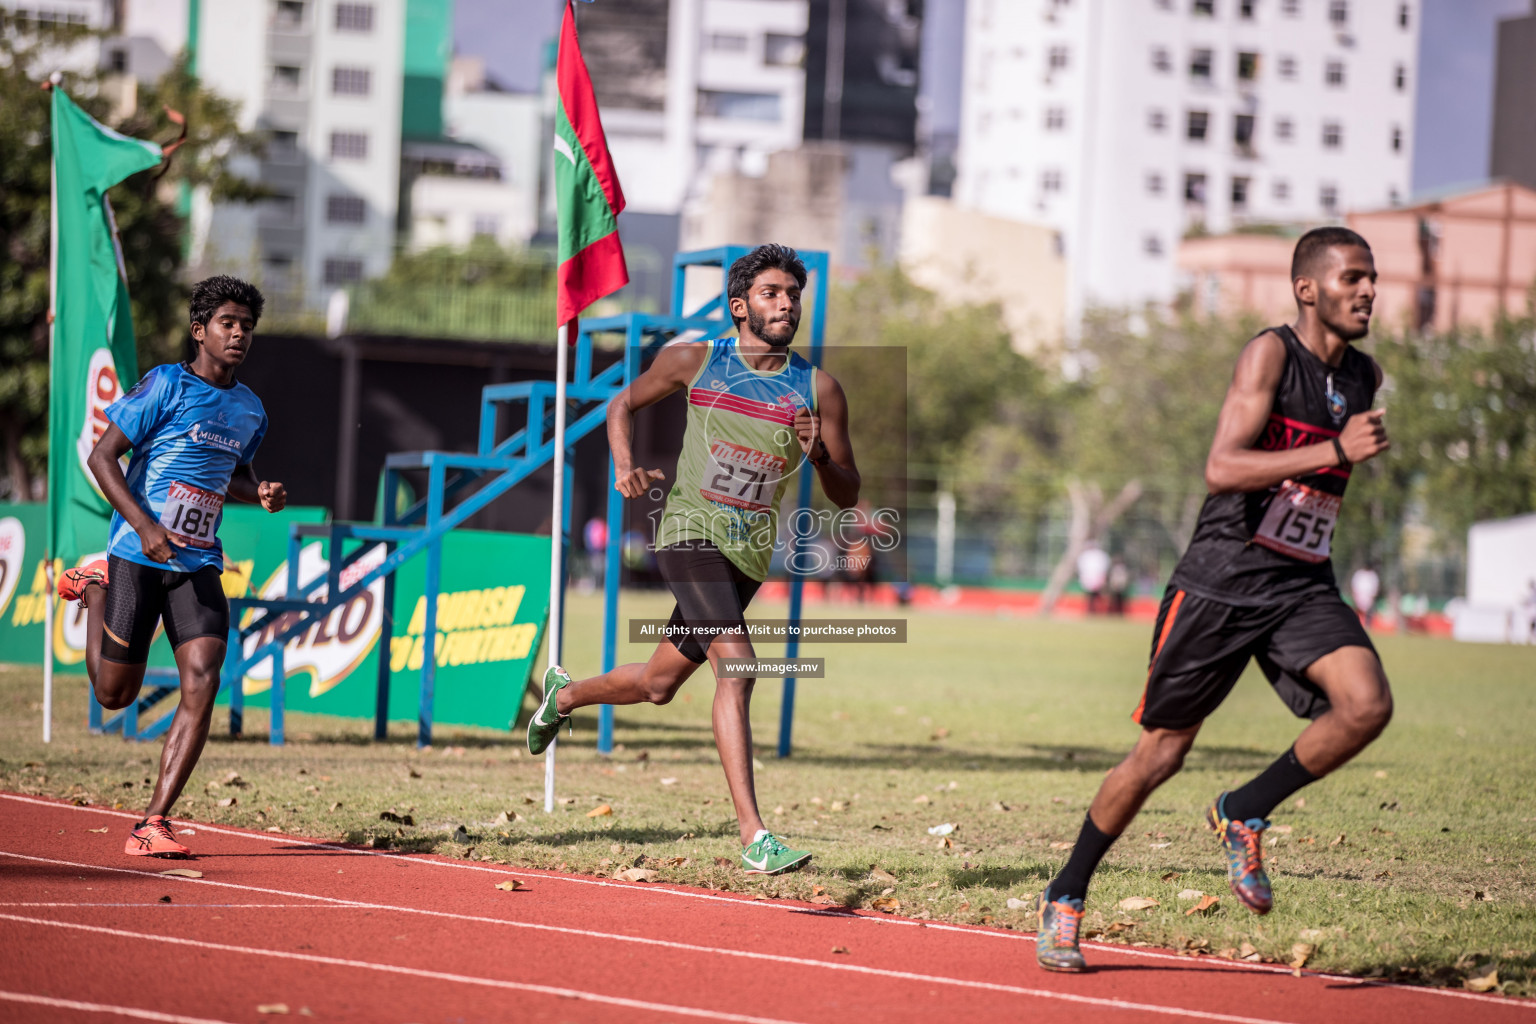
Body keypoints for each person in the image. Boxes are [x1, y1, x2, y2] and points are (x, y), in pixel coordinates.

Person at [1034, 227, 1393, 972]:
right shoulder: (1269, 355)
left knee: (1366, 704)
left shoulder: (1365, 377)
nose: (1368, 291)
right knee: (1161, 753)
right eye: (1352, 277)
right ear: (1307, 289)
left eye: (1372, 278)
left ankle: (1243, 809)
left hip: (1299, 581)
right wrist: (1333, 451)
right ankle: (1066, 894)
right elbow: (1222, 467)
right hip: (1221, 581)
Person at [527, 244, 861, 875]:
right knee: (736, 667)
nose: (786, 303)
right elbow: (619, 404)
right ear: (739, 306)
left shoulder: (820, 389)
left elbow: (848, 493)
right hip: (689, 531)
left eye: (793, 293)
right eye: (771, 293)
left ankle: (563, 698)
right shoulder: (693, 360)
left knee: (658, 686)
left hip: (749, 555)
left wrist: (818, 457)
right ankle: (755, 836)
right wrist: (625, 467)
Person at [58, 276, 286, 859]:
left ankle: (153, 822)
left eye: (247, 326)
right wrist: (144, 526)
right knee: (115, 695)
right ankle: (93, 590)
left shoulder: (250, 408)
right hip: (137, 554)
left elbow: (232, 470)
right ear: (199, 331)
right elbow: (102, 457)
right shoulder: (166, 384)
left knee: (204, 676)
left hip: (197, 560)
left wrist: (257, 490)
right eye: (227, 324)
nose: (239, 334)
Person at [1077, 544, 1110, 615]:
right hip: (1088, 578)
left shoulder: (1099, 555)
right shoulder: (1085, 555)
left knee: (1097, 596)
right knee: (1090, 596)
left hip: (1096, 577)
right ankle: (1091, 609)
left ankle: (1098, 609)